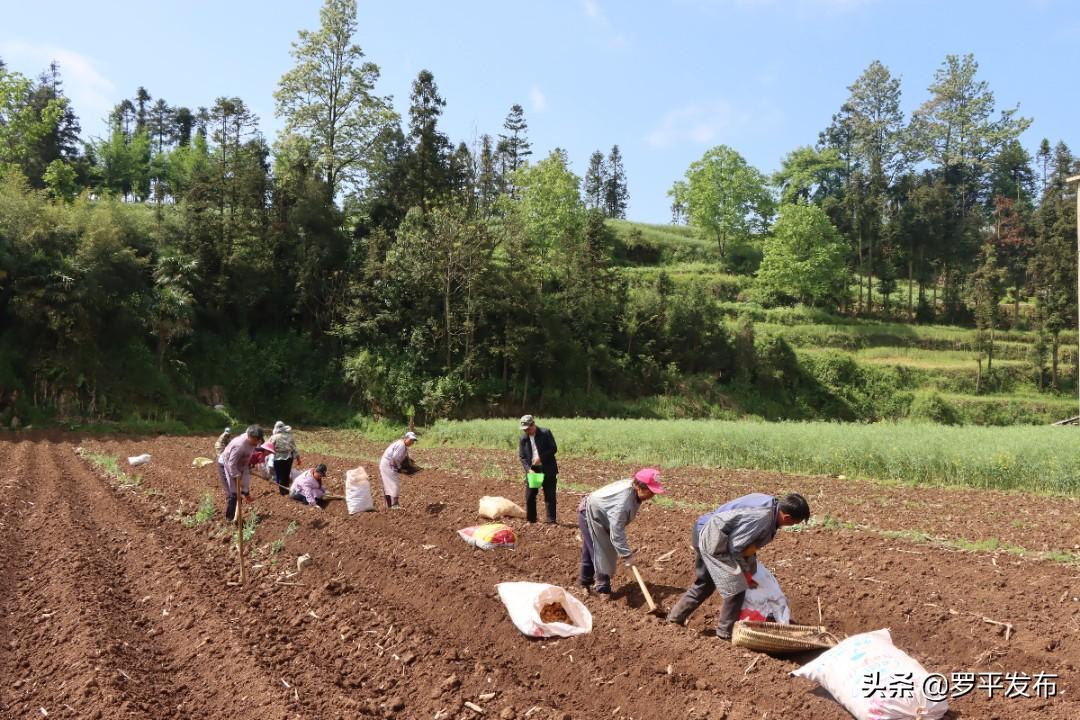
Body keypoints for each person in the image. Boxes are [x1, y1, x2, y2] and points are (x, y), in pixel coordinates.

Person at [666, 492, 810, 640]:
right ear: (786, 517)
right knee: (736, 587)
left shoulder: (770, 503)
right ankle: (725, 633)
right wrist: (745, 574)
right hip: (714, 538)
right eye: (792, 523)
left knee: (706, 583)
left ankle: (674, 618)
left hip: (706, 529)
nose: (790, 526)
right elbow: (736, 548)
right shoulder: (762, 518)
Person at [578, 468, 665, 595]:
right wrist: (627, 555)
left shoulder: (633, 490)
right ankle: (603, 590)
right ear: (639, 488)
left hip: (601, 513)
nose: (653, 495)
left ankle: (584, 581)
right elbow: (617, 531)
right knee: (601, 551)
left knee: (590, 547)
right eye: (651, 491)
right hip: (589, 514)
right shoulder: (623, 504)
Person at [217, 425, 264, 521]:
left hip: (240, 465)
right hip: (226, 464)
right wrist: (238, 477)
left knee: (239, 493)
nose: (257, 443)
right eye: (255, 440)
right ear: (249, 436)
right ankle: (229, 520)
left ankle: (236, 517)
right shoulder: (239, 446)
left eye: (258, 440)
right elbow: (231, 465)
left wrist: (245, 490)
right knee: (232, 494)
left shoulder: (254, 441)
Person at [517, 415, 558, 524]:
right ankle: (531, 520)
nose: (526, 431)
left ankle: (551, 521)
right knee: (530, 496)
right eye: (524, 429)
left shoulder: (545, 433)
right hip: (533, 471)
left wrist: (541, 458)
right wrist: (528, 469)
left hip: (548, 468)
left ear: (533, 424)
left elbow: (553, 448)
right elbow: (522, 457)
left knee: (550, 496)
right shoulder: (523, 439)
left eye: (528, 428)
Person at [379, 431, 418, 509]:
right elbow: (395, 458)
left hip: (386, 464)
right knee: (394, 484)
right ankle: (394, 505)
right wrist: (400, 468)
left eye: (413, 441)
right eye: (411, 440)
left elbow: (401, 457)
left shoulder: (402, 445)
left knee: (388, 485)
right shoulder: (401, 445)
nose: (412, 442)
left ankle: (389, 506)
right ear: (406, 438)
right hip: (388, 465)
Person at [268, 424, 300, 496]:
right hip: (289, 458)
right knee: (286, 474)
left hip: (278, 459)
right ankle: (286, 490)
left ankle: (283, 492)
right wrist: (298, 458)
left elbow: (268, 447)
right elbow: (294, 449)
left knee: (280, 475)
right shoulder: (290, 437)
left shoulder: (274, 437)